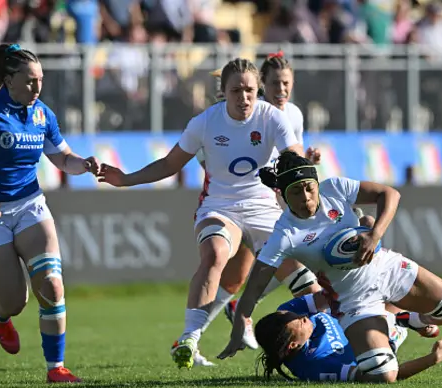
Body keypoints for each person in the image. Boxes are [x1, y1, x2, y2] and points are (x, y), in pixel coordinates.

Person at [97, 57, 320, 369]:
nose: (244, 97)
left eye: (250, 91)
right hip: (219, 206)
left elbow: (293, 158)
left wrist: (301, 165)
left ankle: (324, 346)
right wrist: (126, 179)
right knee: (215, 254)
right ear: (223, 92)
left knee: (304, 280)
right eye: (236, 90)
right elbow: (169, 164)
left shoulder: (273, 117)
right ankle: (189, 338)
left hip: (263, 208)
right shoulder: (205, 122)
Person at [218, 151, 442, 383]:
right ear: (283, 195)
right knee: (382, 375)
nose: (306, 197)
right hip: (354, 301)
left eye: (309, 188)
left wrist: (374, 235)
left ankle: (412, 318)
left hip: (385, 268)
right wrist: (239, 328)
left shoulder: (335, 188)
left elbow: (389, 194)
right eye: (296, 192)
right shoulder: (284, 235)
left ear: (317, 184)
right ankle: (402, 318)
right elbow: (252, 289)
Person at [0, 43, 99, 383]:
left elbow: (62, 158)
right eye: (29, 81)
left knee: (52, 285)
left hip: (30, 206)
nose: (37, 88)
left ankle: (56, 368)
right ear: (8, 80)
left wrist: (83, 164)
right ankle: (1, 314)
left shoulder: (43, 114)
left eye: (40, 80)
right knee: (16, 300)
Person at [254, 292, 442, 383]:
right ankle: (402, 321)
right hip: (379, 339)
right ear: (293, 345)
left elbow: (329, 295)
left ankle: (406, 318)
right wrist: (433, 358)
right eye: (300, 323)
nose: (303, 317)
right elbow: (380, 375)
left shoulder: (285, 314)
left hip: (356, 309)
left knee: (389, 288)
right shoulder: (317, 366)